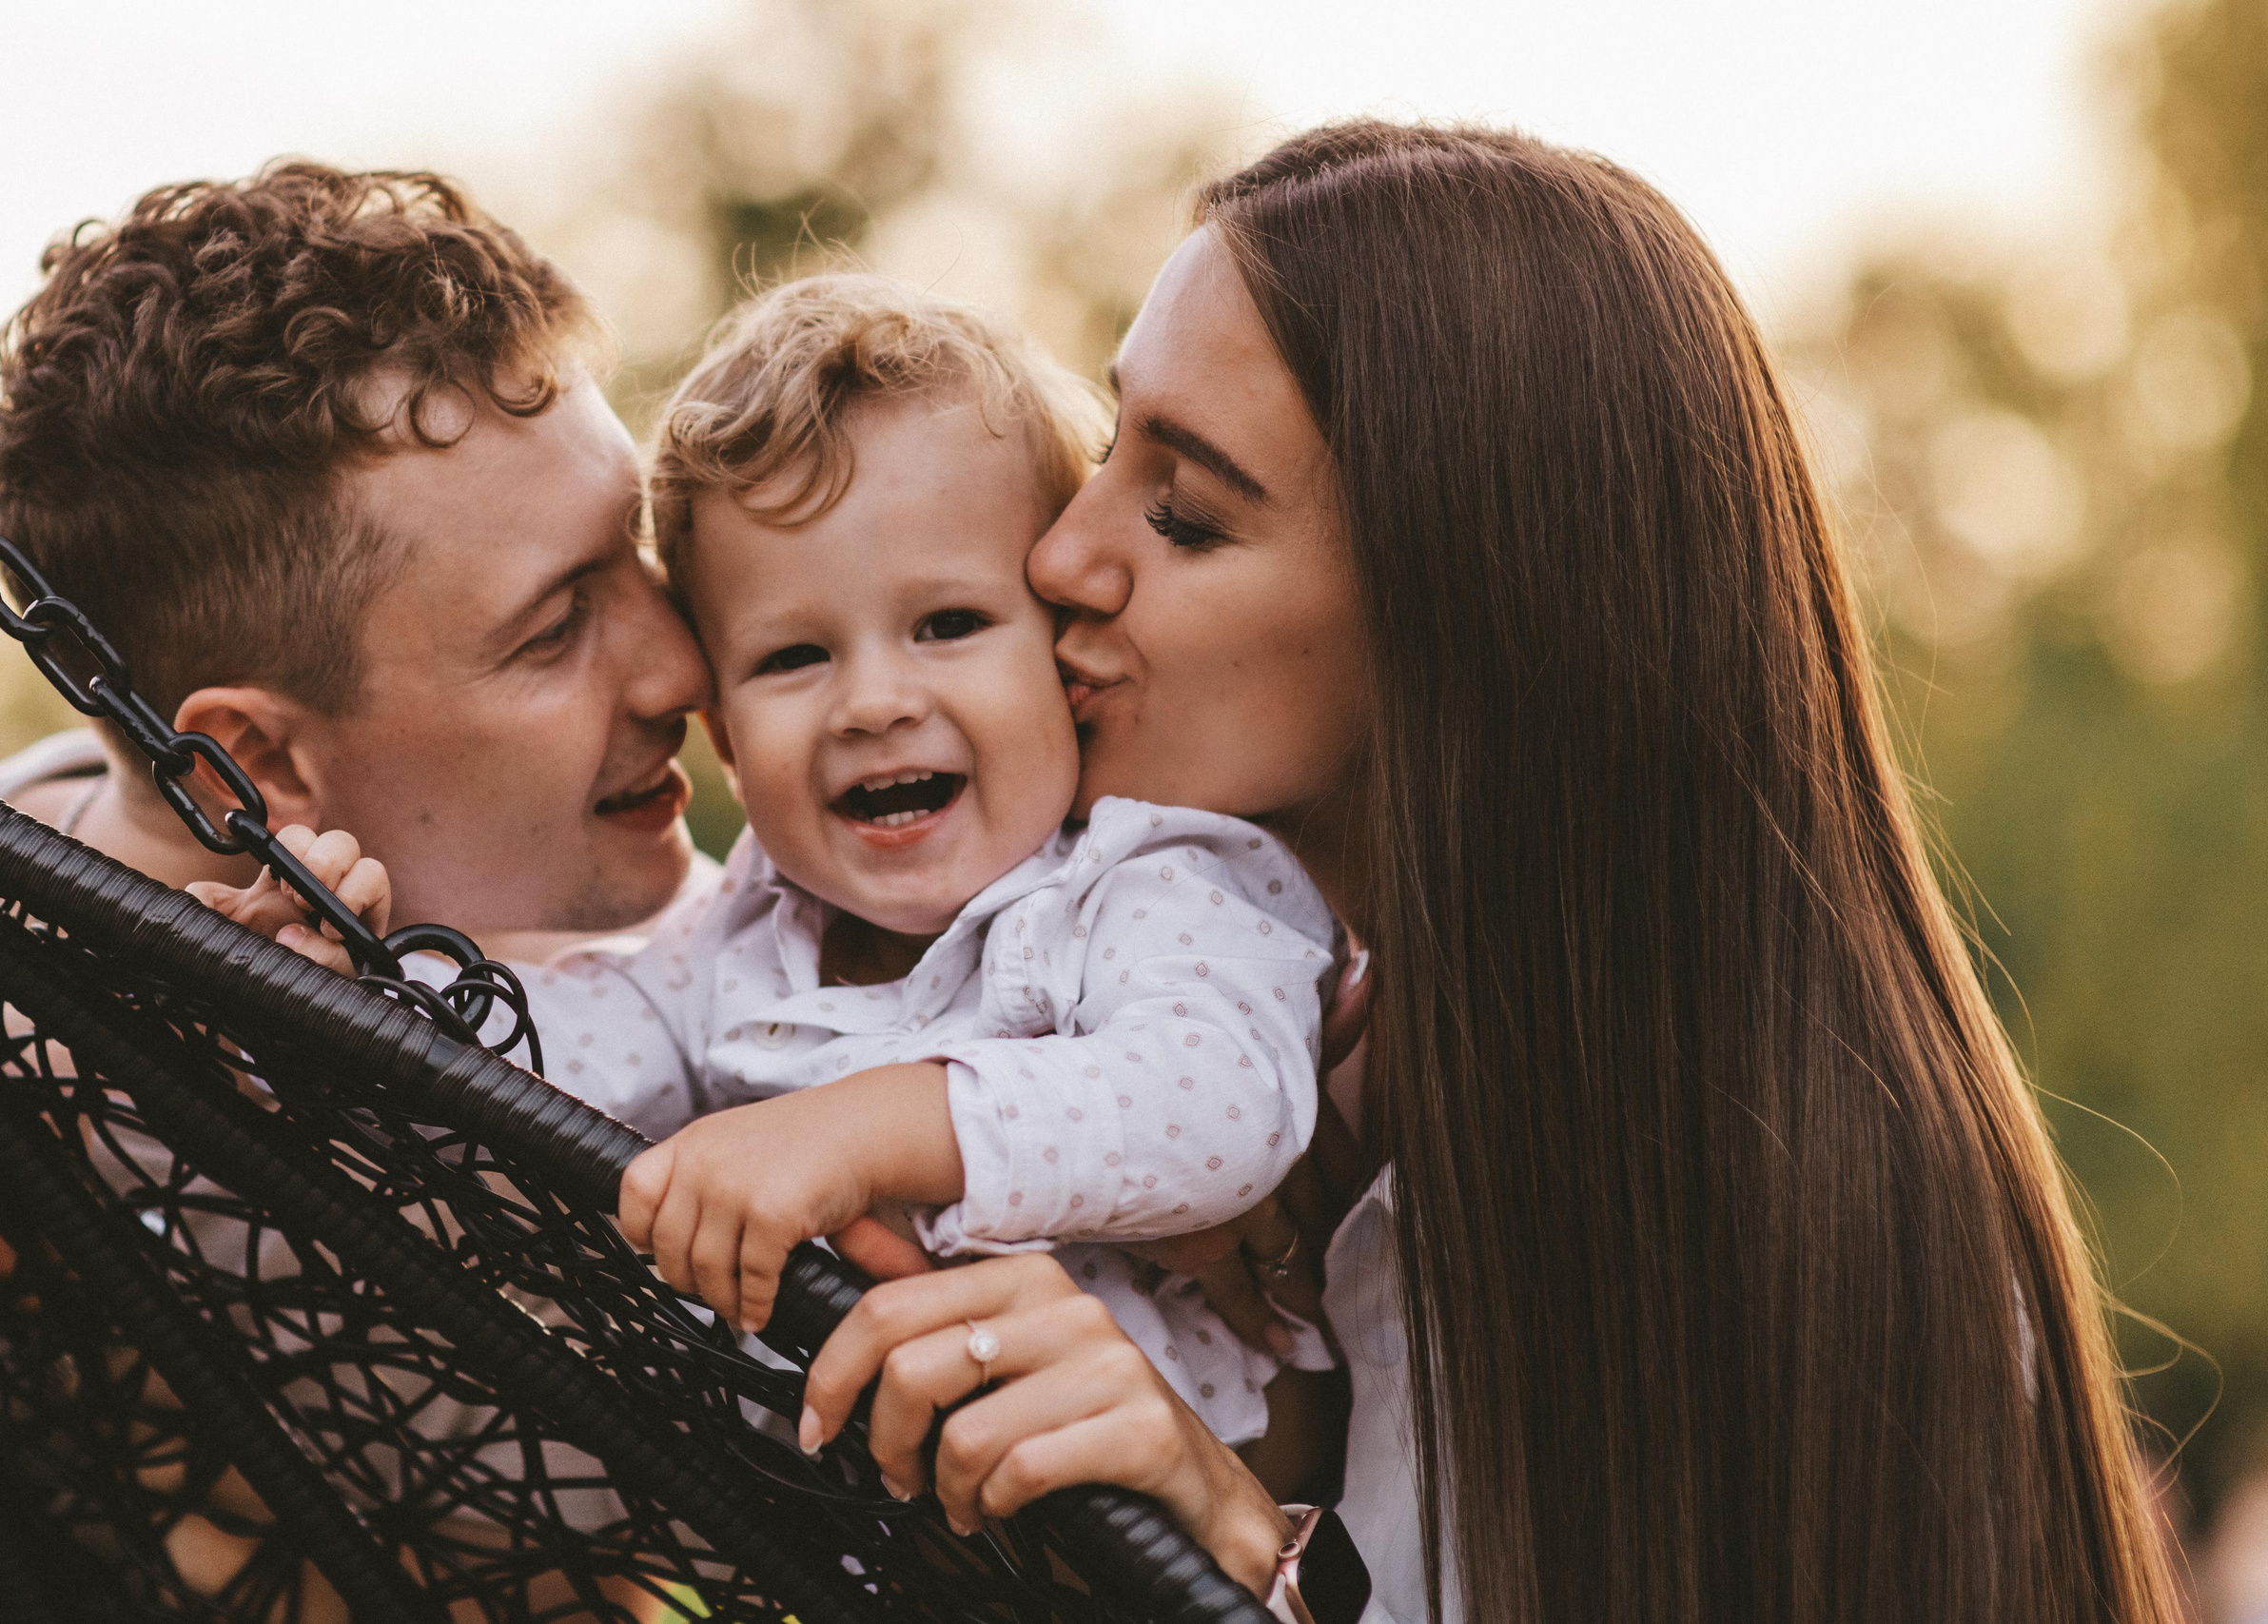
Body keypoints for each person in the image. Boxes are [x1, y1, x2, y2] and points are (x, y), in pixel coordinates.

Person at [793, 120, 2186, 1624]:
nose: (1063, 555)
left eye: (1184, 511)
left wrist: (1242, 1549)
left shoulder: (1806, 1226)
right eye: (1106, 452)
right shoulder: (1240, 1079)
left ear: (1462, 610)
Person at [221, 272, 1342, 1448]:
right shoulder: (746, 936)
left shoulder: (1149, 875)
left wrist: (856, 1133)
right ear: (724, 731)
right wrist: (354, 1005)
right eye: (793, 657)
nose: (871, 703)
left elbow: (1219, 1099)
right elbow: (554, 1055)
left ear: (1060, 651)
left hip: (1170, 1529)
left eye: (949, 625)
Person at [0, 161, 714, 990]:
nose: (685, 667)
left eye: (638, 537)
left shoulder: (743, 948)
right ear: (261, 763)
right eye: (554, 629)